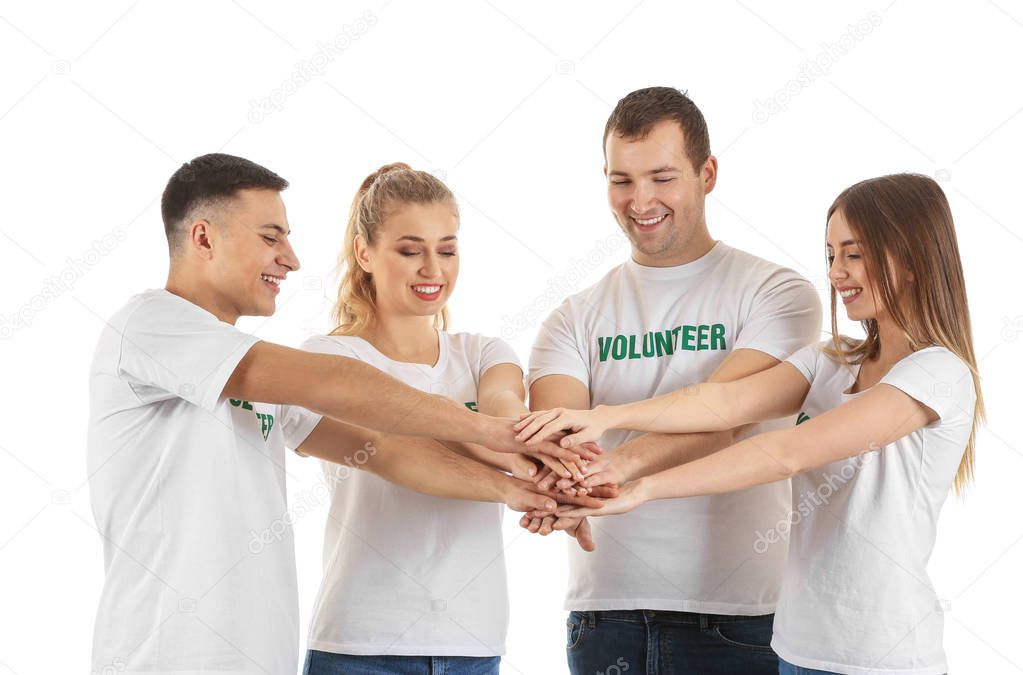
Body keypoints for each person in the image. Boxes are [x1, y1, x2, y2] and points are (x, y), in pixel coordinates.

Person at [86, 153, 594, 675]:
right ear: (203, 238)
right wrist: (495, 431)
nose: (291, 259)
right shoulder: (150, 326)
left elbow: (386, 452)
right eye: (270, 237)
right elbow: (333, 380)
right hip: (166, 658)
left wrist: (519, 490)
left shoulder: (247, 371)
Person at [526, 173, 984, 675]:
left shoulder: (938, 373)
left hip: (884, 658)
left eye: (854, 254)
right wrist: (606, 417)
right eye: (831, 255)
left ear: (913, 258)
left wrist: (643, 488)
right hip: (796, 649)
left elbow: (786, 453)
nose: (837, 273)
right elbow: (722, 404)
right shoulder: (830, 360)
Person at [522, 86, 823, 673]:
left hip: (739, 612)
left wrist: (614, 467)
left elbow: (726, 418)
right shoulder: (572, 315)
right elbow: (559, 440)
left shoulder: (779, 293)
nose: (641, 200)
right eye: (622, 180)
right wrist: (559, 482)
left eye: (662, 177)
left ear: (707, 173)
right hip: (604, 612)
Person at [289, 163, 608, 675]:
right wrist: (520, 476)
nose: (433, 270)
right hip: (360, 643)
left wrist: (554, 480)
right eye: (410, 251)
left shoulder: (484, 352)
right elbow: (394, 446)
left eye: (448, 249)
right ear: (363, 252)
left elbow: (503, 410)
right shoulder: (327, 361)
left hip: (473, 644)